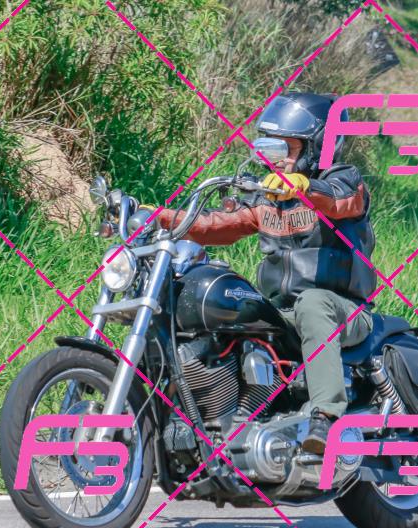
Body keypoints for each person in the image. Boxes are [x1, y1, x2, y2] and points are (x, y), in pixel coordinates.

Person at [157, 92, 377, 455]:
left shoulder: (344, 180)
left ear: (316, 148)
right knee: (225, 307)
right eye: (270, 148)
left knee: (313, 302)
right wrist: (159, 218)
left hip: (343, 309)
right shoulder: (265, 197)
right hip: (283, 312)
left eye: (287, 148)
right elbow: (214, 224)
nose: (277, 159)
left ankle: (325, 417)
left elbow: (339, 200)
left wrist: (305, 187)